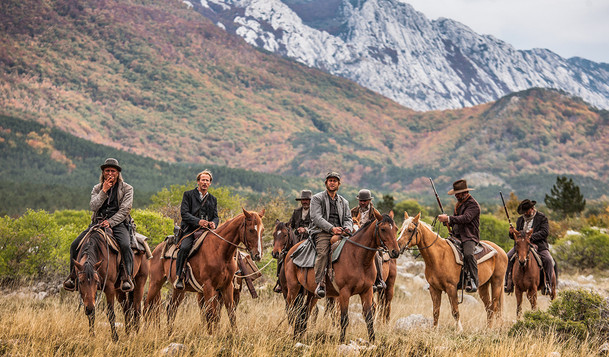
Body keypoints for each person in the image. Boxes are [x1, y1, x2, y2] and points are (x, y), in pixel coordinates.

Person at [63, 158, 134, 292]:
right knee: (74, 245)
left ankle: (126, 276)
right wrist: (104, 191)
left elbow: (125, 209)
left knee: (125, 245)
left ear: (118, 173)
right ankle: (73, 276)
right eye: (107, 171)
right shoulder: (97, 188)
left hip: (118, 223)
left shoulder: (127, 188)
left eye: (113, 171)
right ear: (103, 172)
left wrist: (111, 222)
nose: (110, 174)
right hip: (97, 223)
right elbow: (93, 206)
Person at [309, 172, 353, 298]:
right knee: (323, 252)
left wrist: (347, 228)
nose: (332, 182)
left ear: (339, 184)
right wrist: (332, 228)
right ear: (326, 183)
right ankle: (320, 283)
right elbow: (316, 217)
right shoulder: (317, 198)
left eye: (335, 181)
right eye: (330, 180)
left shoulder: (344, 201)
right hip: (322, 231)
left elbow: (348, 218)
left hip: (341, 232)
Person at [174, 170, 219, 290]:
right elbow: (184, 214)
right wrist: (198, 221)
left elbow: (216, 216)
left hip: (207, 231)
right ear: (198, 182)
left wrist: (213, 223)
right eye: (203, 180)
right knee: (184, 247)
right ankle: (179, 276)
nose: (205, 182)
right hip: (190, 230)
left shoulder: (213, 199)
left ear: (210, 183)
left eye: (207, 180)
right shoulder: (188, 195)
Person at [438, 179, 480, 293]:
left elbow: (466, 218)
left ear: (464, 193)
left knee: (468, 254)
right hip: (456, 235)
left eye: (458, 193)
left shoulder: (473, 205)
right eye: (455, 193)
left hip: (469, 236)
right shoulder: (459, 204)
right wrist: (448, 221)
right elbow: (457, 220)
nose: (456, 195)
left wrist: (449, 218)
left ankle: (474, 281)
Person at [504, 199, 554, 295]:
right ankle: (508, 283)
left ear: (532, 209)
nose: (525, 213)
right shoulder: (520, 220)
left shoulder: (542, 218)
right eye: (523, 212)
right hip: (521, 246)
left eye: (526, 211)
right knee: (507, 257)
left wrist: (530, 237)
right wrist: (511, 233)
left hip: (539, 245)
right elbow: (516, 237)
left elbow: (545, 232)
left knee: (548, 259)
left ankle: (547, 284)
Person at [273, 189, 312, 293]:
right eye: (303, 200)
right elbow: (291, 225)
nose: (305, 202)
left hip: (310, 239)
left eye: (307, 200)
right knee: (282, 255)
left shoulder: (314, 212)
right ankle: (280, 281)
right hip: (296, 239)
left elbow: (316, 226)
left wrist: (306, 230)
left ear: (310, 201)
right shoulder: (296, 212)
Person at [350, 189, 386, 290]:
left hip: (370, 240)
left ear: (369, 201)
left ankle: (379, 279)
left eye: (364, 201)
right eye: (361, 200)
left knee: (377, 255)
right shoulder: (353, 211)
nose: (362, 203)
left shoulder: (375, 213)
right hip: (355, 238)